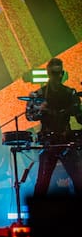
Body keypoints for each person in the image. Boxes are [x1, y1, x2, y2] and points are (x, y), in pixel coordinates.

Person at [25, 57, 82, 196]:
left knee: (78, 180)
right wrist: (41, 111)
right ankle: (38, 208)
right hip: (48, 142)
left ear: (63, 73)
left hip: (65, 139)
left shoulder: (69, 93)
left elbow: (79, 118)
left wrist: (76, 108)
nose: (58, 77)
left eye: (60, 73)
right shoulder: (39, 94)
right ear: (49, 73)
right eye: (54, 73)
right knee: (42, 182)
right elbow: (29, 116)